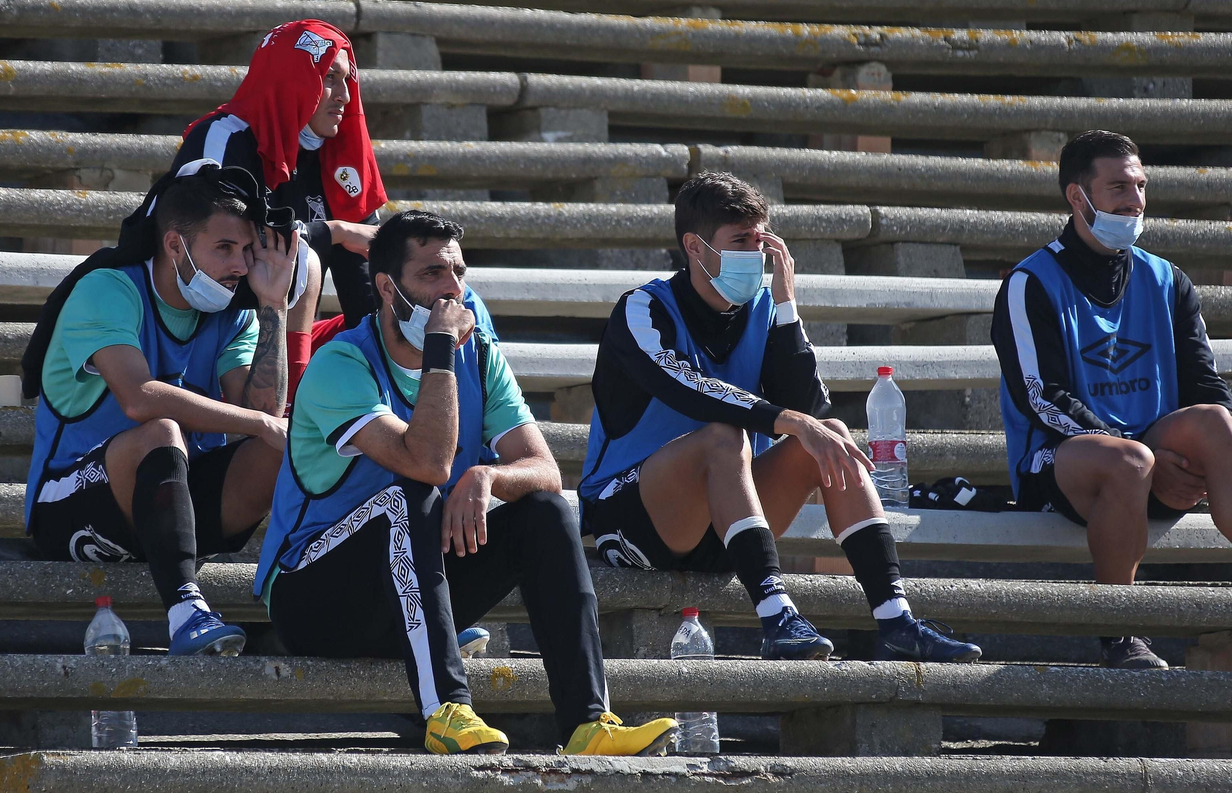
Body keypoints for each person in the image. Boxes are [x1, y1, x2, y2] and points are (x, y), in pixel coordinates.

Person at [255, 210, 677, 756]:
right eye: (431, 274)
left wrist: (487, 476)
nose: (452, 289)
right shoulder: (342, 364)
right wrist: (438, 353)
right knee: (410, 495)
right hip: (315, 596)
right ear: (387, 288)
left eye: (458, 271)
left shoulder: (479, 355)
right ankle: (446, 710)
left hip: (410, 590)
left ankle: (588, 722)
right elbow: (427, 462)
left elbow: (545, 469)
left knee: (546, 510)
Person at [578, 173, 981, 663]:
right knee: (722, 437)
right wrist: (788, 421)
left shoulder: (765, 309)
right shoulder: (643, 308)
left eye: (762, 239)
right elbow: (688, 389)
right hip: (633, 518)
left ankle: (897, 620)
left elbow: (811, 410)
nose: (756, 253)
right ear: (695, 246)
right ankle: (776, 617)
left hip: (728, 526)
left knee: (829, 435)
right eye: (740, 241)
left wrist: (786, 303)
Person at [22, 165, 298, 656]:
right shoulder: (108, 288)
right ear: (175, 246)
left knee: (289, 450)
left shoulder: (235, 313)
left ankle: (342, 593)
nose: (241, 266)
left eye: (247, 250)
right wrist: (262, 423)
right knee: (161, 429)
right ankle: (186, 610)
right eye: (225, 249)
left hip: (175, 503)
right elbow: (138, 397)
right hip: (71, 507)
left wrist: (274, 305)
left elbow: (262, 410)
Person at [992, 129, 1232, 670]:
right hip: (1060, 461)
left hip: (1152, 455)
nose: (1136, 199)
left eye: (1141, 185)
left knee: (1218, 422)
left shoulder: (1168, 279)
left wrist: (1175, 459)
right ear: (1079, 197)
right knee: (1130, 460)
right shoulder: (1029, 282)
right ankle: (1119, 632)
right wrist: (1140, 454)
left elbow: (1207, 386)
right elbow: (1041, 397)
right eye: (1119, 185)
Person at [166, 19, 388, 401]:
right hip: (207, 320)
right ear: (292, 77)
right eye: (328, 78)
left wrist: (390, 345)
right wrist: (332, 231)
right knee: (299, 258)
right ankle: (291, 413)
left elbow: (367, 284)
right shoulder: (224, 136)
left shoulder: (340, 154)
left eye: (347, 81)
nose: (344, 97)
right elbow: (222, 242)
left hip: (281, 327)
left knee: (442, 295)